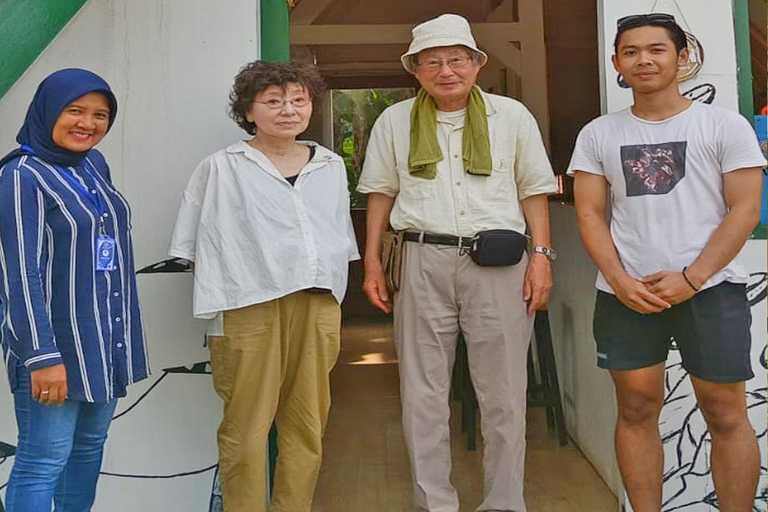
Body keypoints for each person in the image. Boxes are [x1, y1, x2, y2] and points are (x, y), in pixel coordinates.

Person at [358, 14, 557, 512]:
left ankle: (505, 503)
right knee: (422, 392)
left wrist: (542, 258)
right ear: (416, 70)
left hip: (499, 263)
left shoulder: (512, 116)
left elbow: (534, 190)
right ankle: (434, 502)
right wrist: (372, 263)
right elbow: (381, 194)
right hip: (422, 258)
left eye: (456, 59)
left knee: (505, 394)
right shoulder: (395, 121)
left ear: (475, 64)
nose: (446, 70)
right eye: (432, 62)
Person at [569, 14, 765, 512]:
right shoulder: (598, 132)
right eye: (631, 51)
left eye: (657, 49)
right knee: (635, 409)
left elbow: (745, 208)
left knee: (725, 413)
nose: (644, 60)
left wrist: (692, 278)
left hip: (712, 289)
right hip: (625, 294)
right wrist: (618, 279)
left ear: (682, 58)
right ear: (616, 63)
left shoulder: (723, 124)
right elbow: (590, 212)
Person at [168, 61, 359, 512]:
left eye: (298, 100)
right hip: (247, 306)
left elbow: (336, 239)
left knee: (307, 425)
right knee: (246, 429)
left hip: (316, 305)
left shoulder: (330, 166)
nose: (288, 110)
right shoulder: (220, 168)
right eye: (273, 101)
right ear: (249, 111)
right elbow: (191, 244)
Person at [0, 68, 149, 512]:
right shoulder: (20, 176)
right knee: (43, 460)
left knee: (86, 453)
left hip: (102, 344)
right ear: (48, 111)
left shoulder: (92, 167)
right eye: (75, 110)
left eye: (100, 115)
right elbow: (17, 273)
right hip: (54, 351)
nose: (88, 123)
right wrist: (41, 357)